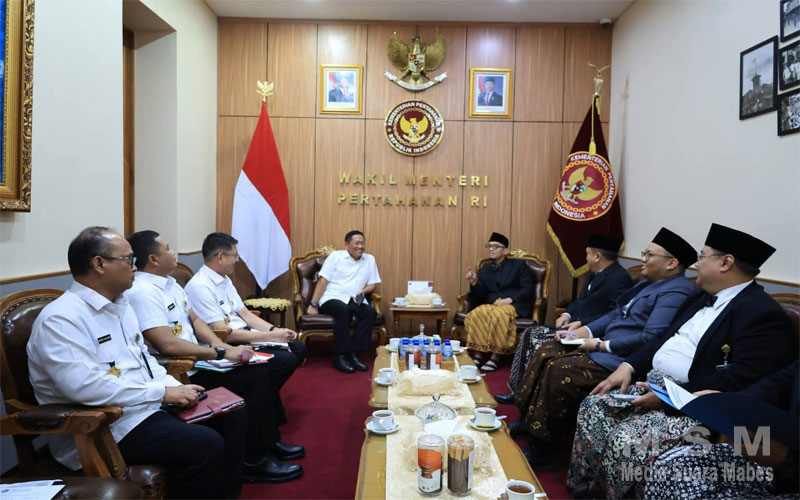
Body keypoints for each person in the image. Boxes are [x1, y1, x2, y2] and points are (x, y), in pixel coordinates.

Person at [567, 223, 796, 500]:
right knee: (595, 405)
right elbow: (660, 338)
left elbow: (741, 376)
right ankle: (591, 484)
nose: (696, 265)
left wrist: (672, 396)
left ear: (726, 263)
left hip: (695, 403)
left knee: (630, 439)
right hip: (655, 383)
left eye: (702, 257)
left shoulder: (762, 313)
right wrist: (628, 366)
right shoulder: (699, 296)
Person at [26, 227, 244, 499]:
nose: (135, 267)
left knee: (229, 413)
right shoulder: (62, 319)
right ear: (99, 264)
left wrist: (175, 387)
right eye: (128, 260)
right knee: (205, 443)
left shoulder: (120, 305)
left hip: (144, 408)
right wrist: (161, 392)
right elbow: (84, 387)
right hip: (105, 426)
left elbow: (144, 359)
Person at [511, 227, 697, 470]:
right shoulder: (647, 284)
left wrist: (601, 344)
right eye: (644, 253)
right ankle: (528, 421)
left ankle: (545, 447)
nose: (643, 259)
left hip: (622, 357)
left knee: (559, 370)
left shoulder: (676, 291)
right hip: (604, 347)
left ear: (672, 263)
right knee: (548, 350)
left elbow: (651, 337)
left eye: (650, 255)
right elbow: (615, 314)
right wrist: (583, 332)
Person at [125, 230, 304, 483]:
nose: (173, 252)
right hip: (181, 370)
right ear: (154, 259)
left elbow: (196, 320)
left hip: (202, 358)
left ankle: (265, 443)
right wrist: (219, 351)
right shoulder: (143, 292)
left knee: (259, 370)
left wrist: (221, 348)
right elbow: (167, 344)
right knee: (255, 376)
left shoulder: (170, 284)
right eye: (167, 248)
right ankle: (254, 459)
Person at [497, 234, 634, 403]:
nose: (586, 258)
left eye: (587, 254)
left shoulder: (619, 278)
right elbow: (579, 301)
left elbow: (614, 315)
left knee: (537, 339)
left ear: (597, 256)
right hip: (572, 327)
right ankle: (519, 391)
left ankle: (527, 395)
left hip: (591, 334)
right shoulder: (594, 273)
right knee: (529, 334)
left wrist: (583, 323)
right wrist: (566, 314)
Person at [643, 360, 799, 500]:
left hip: (788, 465)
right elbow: (777, 385)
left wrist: (787, 461)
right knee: (672, 467)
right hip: (770, 452)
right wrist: (726, 402)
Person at [185, 232, 307, 389]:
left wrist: (275, 330)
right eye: (235, 255)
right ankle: (260, 393)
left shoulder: (224, 279)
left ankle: (264, 391)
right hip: (230, 344)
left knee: (298, 348)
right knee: (284, 359)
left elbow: (246, 314)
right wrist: (271, 336)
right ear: (220, 257)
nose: (237, 260)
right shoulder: (200, 286)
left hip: (246, 335)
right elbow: (223, 333)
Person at [306, 230, 381, 374]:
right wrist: (313, 304)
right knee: (343, 310)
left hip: (353, 298)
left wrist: (363, 291)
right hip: (332, 297)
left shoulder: (370, 259)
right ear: (347, 244)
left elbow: (372, 284)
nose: (360, 246)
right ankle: (339, 356)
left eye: (362, 243)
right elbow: (323, 280)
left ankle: (353, 353)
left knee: (369, 312)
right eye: (357, 243)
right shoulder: (336, 257)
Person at [463, 232, 533, 372]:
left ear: (505, 251)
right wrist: (474, 283)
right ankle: (478, 354)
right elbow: (481, 296)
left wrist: (510, 299)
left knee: (499, 315)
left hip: (513, 304)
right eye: (489, 246)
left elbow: (528, 289)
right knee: (477, 313)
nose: (491, 249)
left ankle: (495, 356)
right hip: (491, 305)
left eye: (495, 246)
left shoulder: (518, 265)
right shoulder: (484, 269)